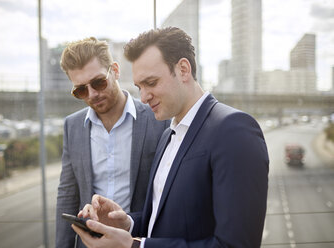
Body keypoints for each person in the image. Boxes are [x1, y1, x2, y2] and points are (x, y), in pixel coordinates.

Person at [73, 27, 269, 248]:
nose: (144, 97)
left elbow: (235, 245)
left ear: (183, 69)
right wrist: (126, 223)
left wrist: (135, 246)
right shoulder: (168, 134)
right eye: (139, 87)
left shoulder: (234, 130)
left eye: (151, 83)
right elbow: (162, 219)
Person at [56, 37, 169, 248]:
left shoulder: (157, 119)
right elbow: (67, 195)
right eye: (80, 90)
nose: (92, 94)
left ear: (115, 70)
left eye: (98, 82)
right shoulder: (72, 126)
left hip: (138, 240)